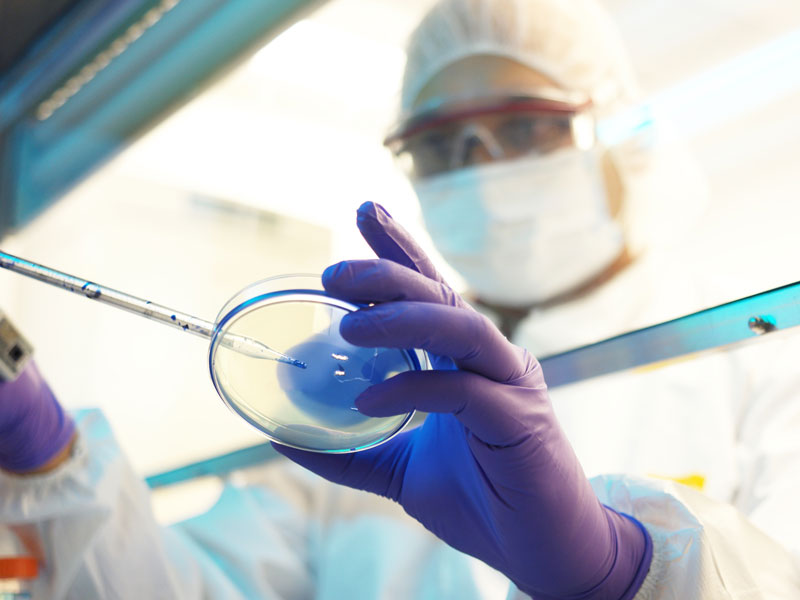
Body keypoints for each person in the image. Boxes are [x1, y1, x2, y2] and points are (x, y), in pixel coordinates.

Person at [2, 0, 800, 599]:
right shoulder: (369, 395)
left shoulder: (762, 361)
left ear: (622, 136)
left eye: (522, 129)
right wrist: (50, 457)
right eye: (440, 145)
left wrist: (628, 571)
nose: (480, 169)